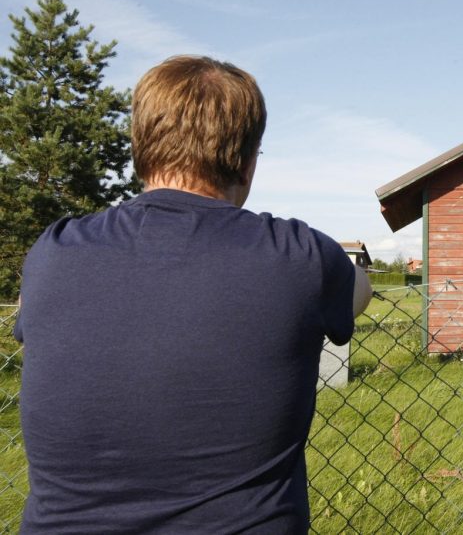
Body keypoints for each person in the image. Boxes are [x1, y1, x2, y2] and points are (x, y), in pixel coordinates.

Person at [14, 55, 372, 533]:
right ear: (247, 161)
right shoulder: (299, 256)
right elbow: (360, 288)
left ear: (140, 146)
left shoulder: (53, 252)